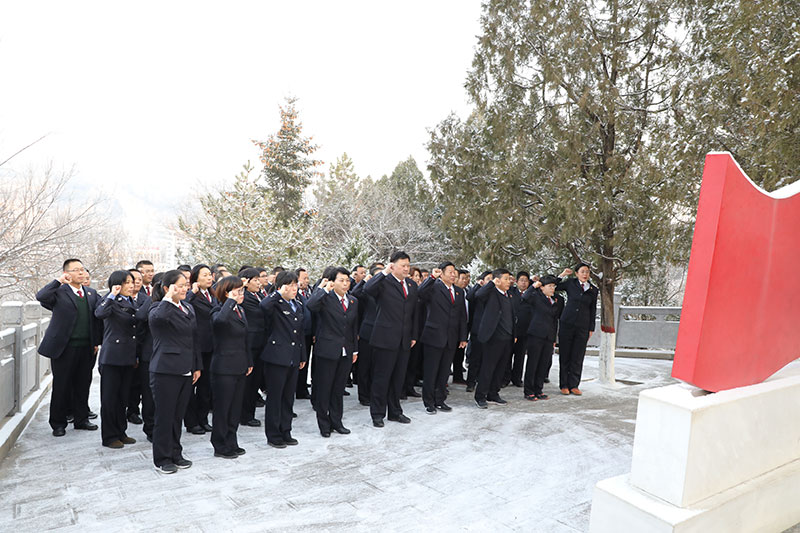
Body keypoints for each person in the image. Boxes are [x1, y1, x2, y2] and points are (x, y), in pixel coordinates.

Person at [36, 259, 101, 436]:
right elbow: (41, 296)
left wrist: (97, 341)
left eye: (83, 270)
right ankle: (58, 423)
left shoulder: (91, 293)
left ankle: (81, 419)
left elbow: (99, 316)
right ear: (67, 273)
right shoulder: (58, 292)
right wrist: (58, 281)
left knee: (82, 384)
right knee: (62, 385)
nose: (81, 273)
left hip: (86, 348)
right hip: (63, 348)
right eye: (76, 270)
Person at [148, 270, 202, 474]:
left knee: (177, 415)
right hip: (165, 370)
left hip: (186, 368)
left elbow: (194, 338)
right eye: (178, 285)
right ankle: (162, 458)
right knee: (165, 416)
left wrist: (197, 366)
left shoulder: (188, 306)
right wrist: (168, 299)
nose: (184, 288)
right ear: (167, 288)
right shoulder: (158, 307)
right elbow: (158, 320)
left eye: (186, 284)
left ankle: (176, 452)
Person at [364, 251, 419, 427]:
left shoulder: (411, 284)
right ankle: (377, 413)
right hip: (385, 338)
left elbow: (413, 313)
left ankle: (395, 412)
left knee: (398, 378)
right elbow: (367, 289)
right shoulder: (384, 282)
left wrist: (413, 335)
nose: (406, 269)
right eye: (403, 266)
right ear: (392, 266)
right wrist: (384, 273)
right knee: (382, 378)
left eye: (408, 266)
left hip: (404, 339)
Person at [95, 270, 147, 448]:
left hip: (128, 357)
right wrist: (112, 295)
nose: (131, 286)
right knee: (110, 398)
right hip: (112, 358)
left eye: (132, 282)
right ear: (117, 284)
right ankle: (109, 436)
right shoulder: (108, 300)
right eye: (126, 282)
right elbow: (100, 313)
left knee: (123, 398)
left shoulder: (133, 301)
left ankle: (120, 431)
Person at [306, 267, 359, 437]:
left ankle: (337, 421)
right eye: (341, 280)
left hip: (346, 351)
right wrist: (323, 289)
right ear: (332, 282)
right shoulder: (325, 298)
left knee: (338, 389)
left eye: (347, 280)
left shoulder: (352, 301)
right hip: (327, 350)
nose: (345, 284)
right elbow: (311, 305)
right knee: (324, 388)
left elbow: (353, 327)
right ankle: (324, 424)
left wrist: (355, 350)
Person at [259, 271, 306, 448]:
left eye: (296, 285)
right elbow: (263, 306)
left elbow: (300, 332)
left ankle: (286, 430)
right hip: (276, 357)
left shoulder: (297, 304)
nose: (294, 289)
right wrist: (278, 293)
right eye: (290, 285)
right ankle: (273, 434)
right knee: (275, 397)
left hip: (293, 356)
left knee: (288, 397)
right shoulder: (275, 303)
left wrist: (302, 356)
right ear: (281, 287)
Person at [209, 276, 252, 458]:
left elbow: (245, 339)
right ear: (227, 293)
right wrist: (229, 301)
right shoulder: (218, 310)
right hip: (223, 367)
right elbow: (220, 323)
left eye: (242, 291)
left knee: (235, 407)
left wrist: (249, 361)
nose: (241, 295)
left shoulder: (240, 310)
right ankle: (220, 444)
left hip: (240, 364)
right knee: (223, 407)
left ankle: (231, 440)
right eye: (237, 291)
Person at [417, 262, 468, 414]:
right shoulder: (434, 287)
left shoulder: (459, 291)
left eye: (455, 272)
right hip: (434, 336)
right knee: (431, 371)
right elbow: (420, 292)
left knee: (444, 371)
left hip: (451, 338)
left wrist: (463, 337)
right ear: (442, 273)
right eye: (450, 272)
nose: (454, 275)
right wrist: (432, 277)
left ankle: (440, 400)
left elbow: (462, 316)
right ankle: (429, 402)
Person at [473, 269, 515, 409]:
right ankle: (480, 395)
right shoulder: (491, 292)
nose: (508, 281)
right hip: (492, 338)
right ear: (498, 280)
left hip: (507, 338)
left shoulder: (509, 294)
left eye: (509, 279)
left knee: (500, 369)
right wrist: (491, 283)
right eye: (505, 279)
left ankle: (493, 393)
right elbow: (478, 295)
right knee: (488, 368)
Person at [183, 264, 217, 435]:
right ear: (195, 278)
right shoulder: (192, 296)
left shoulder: (213, 295)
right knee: (191, 386)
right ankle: (191, 421)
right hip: (195, 346)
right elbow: (182, 307)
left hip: (211, 346)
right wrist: (192, 292)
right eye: (204, 275)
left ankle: (203, 419)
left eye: (210, 275)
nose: (209, 278)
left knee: (206, 386)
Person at [555, 263, 598, 396]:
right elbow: (554, 286)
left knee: (578, 356)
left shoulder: (593, 289)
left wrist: (591, 328)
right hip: (567, 323)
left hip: (583, 326)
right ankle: (564, 385)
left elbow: (593, 309)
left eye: (587, 272)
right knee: (565, 354)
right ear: (576, 273)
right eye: (582, 271)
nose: (585, 274)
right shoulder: (570, 283)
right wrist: (562, 275)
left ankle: (574, 385)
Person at [522, 275, 564, 400]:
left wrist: (554, 339)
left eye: (554, 286)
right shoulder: (536, 297)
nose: (553, 289)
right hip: (536, 335)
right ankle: (529, 390)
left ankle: (538, 389)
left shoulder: (555, 300)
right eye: (550, 286)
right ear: (542, 287)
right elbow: (525, 297)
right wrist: (533, 286)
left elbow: (555, 320)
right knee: (533, 363)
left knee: (543, 364)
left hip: (549, 337)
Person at [350, 264, 380, 407]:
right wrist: (363, 281)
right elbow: (354, 293)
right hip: (367, 333)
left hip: (382, 334)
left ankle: (375, 393)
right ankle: (364, 395)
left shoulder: (386, 291)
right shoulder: (367, 291)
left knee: (377, 367)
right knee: (365, 366)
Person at [239, 268, 266, 427]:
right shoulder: (246, 297)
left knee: (255, 381)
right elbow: (262, 312)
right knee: (248, 382)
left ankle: (249, 412)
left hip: (261, 343)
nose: (258, 282)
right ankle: (245, 415)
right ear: (246, 281)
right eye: (255, 280)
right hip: (251, 344)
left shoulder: (260, 294)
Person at [465, 270, 493, 392]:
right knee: (475, 358)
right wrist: (477, 285)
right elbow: (470, 297)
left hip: (491, 331)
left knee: (486, 359)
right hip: (478, 330)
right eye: (488, 279)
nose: (490, 282)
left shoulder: (495, 294)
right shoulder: (478, 292)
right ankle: (471, 382)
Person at [506, 271, 532, 388]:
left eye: (526, 280)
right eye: (521, 280)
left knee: (520, 356)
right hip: (511, 329)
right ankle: (505, 378)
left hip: (524, 330)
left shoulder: (532, 294)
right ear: (516, 281)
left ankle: (517, 378)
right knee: (507, 355)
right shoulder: (511, 292)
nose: (523, 283)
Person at [295, 267, 314, 400]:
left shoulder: (310, 291)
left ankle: (302, 388)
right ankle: (297, 387)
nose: (307, 281)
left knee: (305, 360)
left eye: (308, 278)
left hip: (308, 332)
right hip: (298, 333)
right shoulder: (294, 294)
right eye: (304, 278)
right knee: (299, 362)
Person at [451, 269, 471, 384]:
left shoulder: (466, 291)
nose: (465, 281)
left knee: (460, 352)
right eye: (462, 278)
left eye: (467, 278)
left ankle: (458, 375)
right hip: (453, 326)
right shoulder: (453, 291)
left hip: (465, 325)